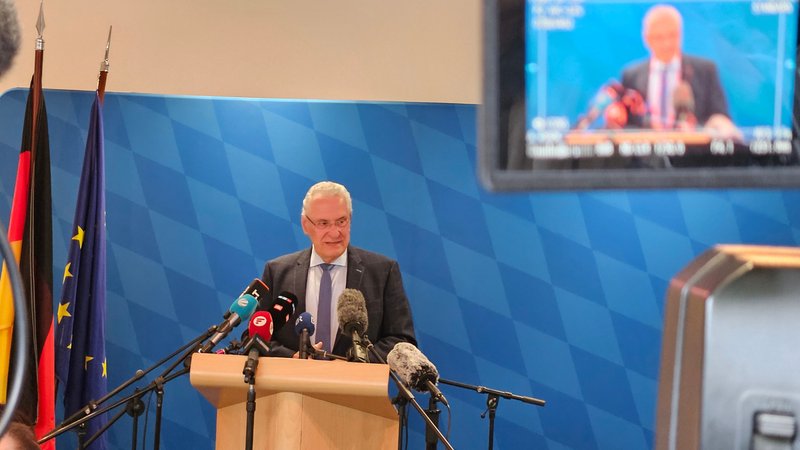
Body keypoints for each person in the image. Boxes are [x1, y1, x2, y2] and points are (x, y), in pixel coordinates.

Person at [260, 181, 416, 362]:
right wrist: (292, 358)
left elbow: (402, 342)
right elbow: (256, 338)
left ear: (350, 219)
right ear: (305, 225)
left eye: (341, 222)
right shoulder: (277, 272)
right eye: (323, 223)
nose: (335, 233)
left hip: (356, 387)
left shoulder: (382, 271)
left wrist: (353, 362)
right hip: (291, 387)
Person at [621, 4, 742, 139]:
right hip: (645, 156)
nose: (667, 43)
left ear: (680, 35)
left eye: (672, 35)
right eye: (659, 37)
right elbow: (626, 125)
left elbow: (720, 117)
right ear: (647, 38)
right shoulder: (631, 75)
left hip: (693, 155)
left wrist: (701, 129)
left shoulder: (705, 70)